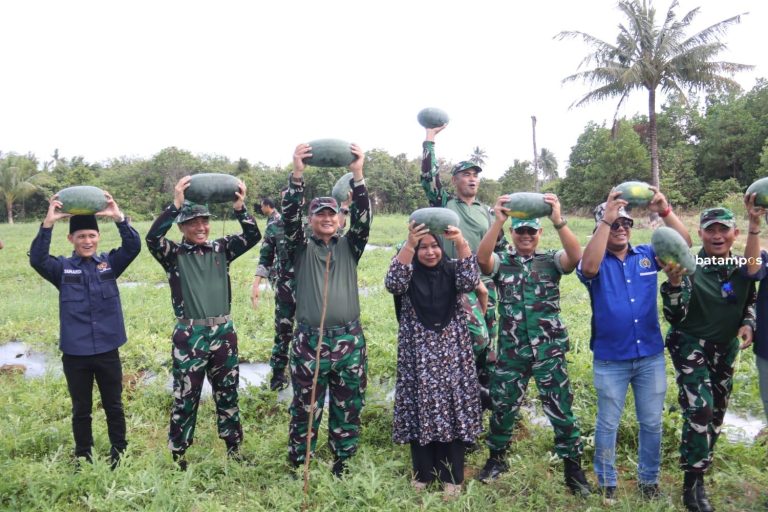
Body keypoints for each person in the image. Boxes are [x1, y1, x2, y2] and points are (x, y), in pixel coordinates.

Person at [578, 187, 691, 504]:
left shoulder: (646, 255)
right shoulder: (595, 260)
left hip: (650, 357)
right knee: (608, 423)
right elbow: (587, 268)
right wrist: (606, 220)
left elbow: (685, 245)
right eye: (615, 223)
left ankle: (648, 480)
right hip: (611, 360)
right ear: (603, 226)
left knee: (652, 423)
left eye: (626, 223)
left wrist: (665, 210)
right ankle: (607, 482)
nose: (622, 228)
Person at [475, 193, 592, 495]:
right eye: (520, 231)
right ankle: (496, 459)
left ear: (539, 234)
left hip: (549, 352)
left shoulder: (550, 261)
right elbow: (482, 260)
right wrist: (498, 221)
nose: (526, 236)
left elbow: (576, 258)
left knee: (562, 410)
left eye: (531, 231)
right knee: (503, 408)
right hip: (512, 354)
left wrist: (559, 221)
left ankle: (572, 467)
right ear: (512, 234)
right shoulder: (505, 263)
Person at [145, 176, 260, 469]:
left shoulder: (222, 249)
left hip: (223, 333)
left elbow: (252, 236)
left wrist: (239, 207)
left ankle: (234, 450)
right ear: (182, 227)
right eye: (193, 222)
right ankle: (178, 454)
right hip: (190, 334)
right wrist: (175, 205)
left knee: (228, 393)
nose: (201, 227)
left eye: (204, 221)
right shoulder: (173, 255)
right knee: (186, 396)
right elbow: (152, 239)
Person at [661, 199, 763, 512]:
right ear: (701, 235)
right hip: (691, 344)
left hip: (725, 348)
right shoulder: (690, 265)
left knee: (717, 410)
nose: (717, 235)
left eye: (723, 230)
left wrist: (748, 321)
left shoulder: (742, 266)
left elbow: (751, 297)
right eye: (710, 230)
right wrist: (675, 283)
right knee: (700, 409)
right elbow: (674, 315)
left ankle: (701, 464)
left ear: (735, 233)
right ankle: (693, 482)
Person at [29, 192, 140, 468]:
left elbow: (133, 247)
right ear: (71, 240)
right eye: (81, 237)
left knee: (114, 406)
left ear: (98, 237)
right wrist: (48, 223)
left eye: (91, 235)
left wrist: (119, 217)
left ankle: (119, 453)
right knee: (81, 409)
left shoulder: (109, 265)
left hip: (107, 350)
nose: (87, 241)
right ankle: (83, 456)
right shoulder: (62, 269)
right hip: (76, 353)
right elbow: (38, 260)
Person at [284, 142, 371, 477]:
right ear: (311, 219)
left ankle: (343, 461)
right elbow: (289, 217)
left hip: (349, 341)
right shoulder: (299, 247)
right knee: (305, 407)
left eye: (331, 214)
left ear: (339, 218)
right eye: (319, 214)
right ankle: (298, 461)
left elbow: (364, 218)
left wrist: (358, 173)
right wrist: (297, 174)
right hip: (309, 342)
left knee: (348, 405)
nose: (326, 218)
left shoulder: (351, 246)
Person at [386, 222, 482, 498]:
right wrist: (409, 244)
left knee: (451, 410)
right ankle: (423, 473)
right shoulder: (408, 272)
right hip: (418, 354)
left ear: (443, 247)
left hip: (452, 354)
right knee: (421, 406)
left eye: (435, 246)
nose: (429, 252)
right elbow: (392, 283)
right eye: (423, 247)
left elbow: (470, 280)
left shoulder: (453, 269)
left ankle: (453, 477)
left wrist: (461, 242)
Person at [421, 124, 504, 410]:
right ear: (455, 180)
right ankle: (458, 388)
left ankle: (482, 394)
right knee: (474, 337)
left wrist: (496, 274)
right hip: (456, 281)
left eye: (475, 176)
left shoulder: (486, 211)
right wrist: (430, 139)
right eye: (466, 175)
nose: (472, 180)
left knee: (489, 339)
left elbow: (499, 247)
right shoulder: (445, 205)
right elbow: (428, 178)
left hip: (486, 283)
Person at [251, 194, 295, 391]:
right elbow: (265, 258)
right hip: (285, 290)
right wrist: (256, 286)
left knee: (309, 333)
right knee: (283, 332)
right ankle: (278, 375)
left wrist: (344, 207)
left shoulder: (310, 224)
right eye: (286, 199)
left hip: (311, 291)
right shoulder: (274, 226)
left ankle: (306, 373)